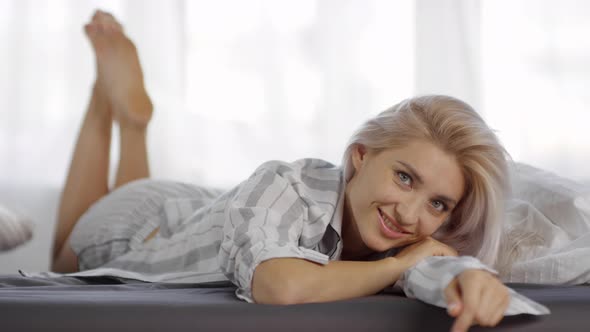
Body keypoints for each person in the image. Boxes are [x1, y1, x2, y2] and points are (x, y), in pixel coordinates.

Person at [51, 10, 511, 332]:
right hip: (147, 222)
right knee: (61, 256)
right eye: (404, 177)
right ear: (361, 155)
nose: (410, 214)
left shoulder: (408, 238)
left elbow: (431, 268)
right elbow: (281, 285)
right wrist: (401, 263)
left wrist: (466, 277)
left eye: (437, 203)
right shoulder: (286, 182)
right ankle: (106, 104)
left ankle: (129, 118)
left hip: (209, 214)